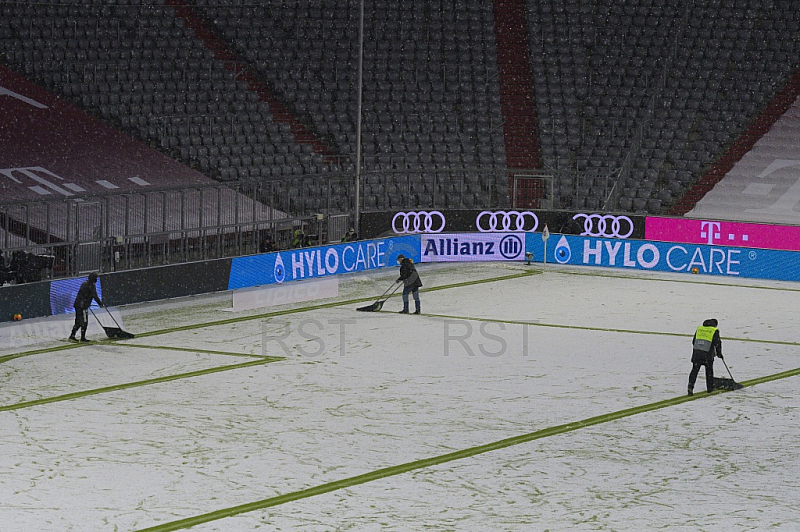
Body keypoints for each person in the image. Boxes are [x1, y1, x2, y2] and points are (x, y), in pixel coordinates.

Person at [688, 318, 723, 395]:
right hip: (707, 354)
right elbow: (717, 343)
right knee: (709, 371)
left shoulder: (699, 329)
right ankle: (710, 388)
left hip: (697, 353)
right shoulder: (714, 330)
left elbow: (694, 341)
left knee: (694, 371)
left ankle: (690, 387)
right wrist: (719, 353)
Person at [69, 272, 104, 342]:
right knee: (84, 321)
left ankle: (72, 335)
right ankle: (82, 337)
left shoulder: (85, 283)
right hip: (82, 306)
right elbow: (94, 295)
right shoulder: (91, 285)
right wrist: (100, 303)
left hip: (78, 305)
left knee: (78, 321)